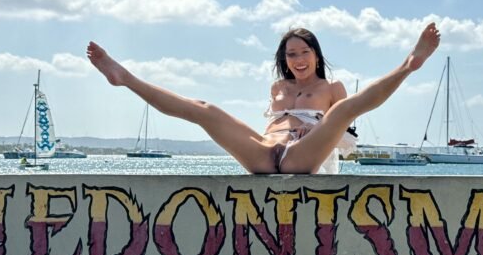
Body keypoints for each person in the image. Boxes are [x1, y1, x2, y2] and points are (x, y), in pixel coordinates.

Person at [87, 22, 440, 174]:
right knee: (205, 110)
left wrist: (314, 132)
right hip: (265, 153)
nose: (298, 60)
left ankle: (408, 65)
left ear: (316, 54)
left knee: (345, 109)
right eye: (291, 54)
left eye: (304, 52)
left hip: (301, 157)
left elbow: (343, 139)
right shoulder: (278, 89)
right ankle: (125, 78)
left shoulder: (332, 88)